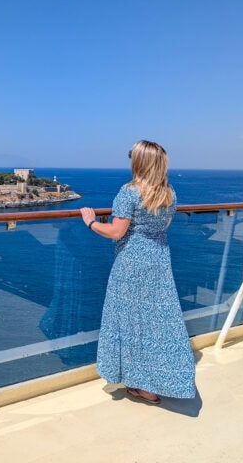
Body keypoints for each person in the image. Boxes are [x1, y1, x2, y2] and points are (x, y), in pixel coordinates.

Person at [80, 140, 196, 404]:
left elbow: (116, 232)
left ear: (139, 162)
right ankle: (157, 383)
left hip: (131, 264)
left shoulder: (129, 192)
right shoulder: (169, 193)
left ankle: (139, 382)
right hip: (159, 261)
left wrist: (91, 223)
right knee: (156, 323)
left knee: (130, 322)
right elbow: (163, 225)